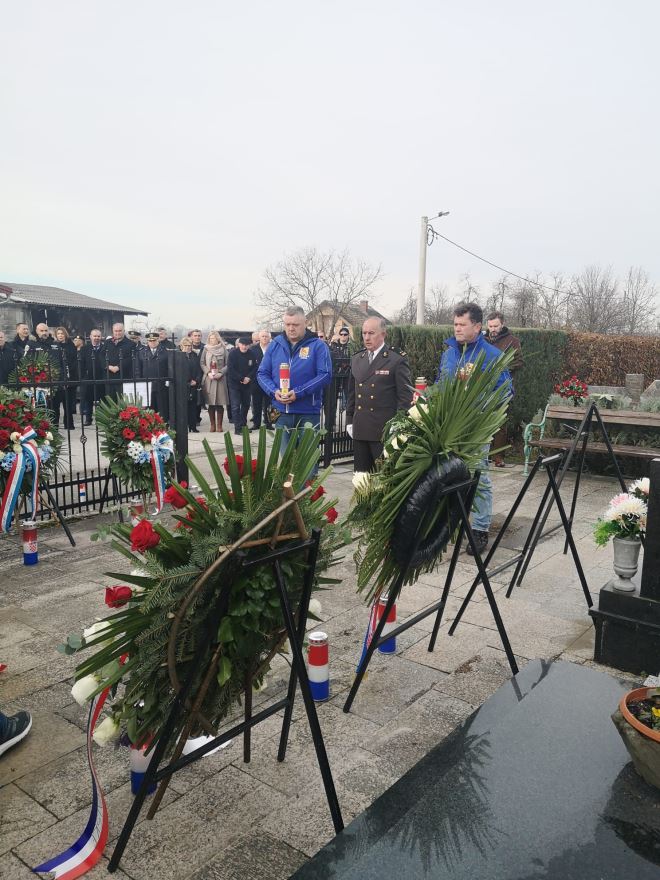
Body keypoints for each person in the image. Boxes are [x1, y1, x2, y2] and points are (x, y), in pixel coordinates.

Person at [436, 302, 512, 556]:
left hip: (476, 429)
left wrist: (479, 410)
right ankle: (448, 524)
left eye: (462, 324)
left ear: (477, 327)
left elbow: (506, 392)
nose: (457, 328)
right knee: (447, 475)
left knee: (478, 477)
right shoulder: (449, 353)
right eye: (455, 324)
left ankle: (479, 529)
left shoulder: (491, 355)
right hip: (447, 427)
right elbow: (440, 384)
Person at [257, 306, 332, 456]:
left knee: (307, 461)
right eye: (287, 324)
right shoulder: (275, 345)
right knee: (286, 461)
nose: (291, 328)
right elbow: (262, 373)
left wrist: (298, 392)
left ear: (305, 322)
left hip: (308, 412)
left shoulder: (318, 346)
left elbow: (325, 375)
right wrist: (274, 391)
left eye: (295, 324)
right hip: (281, 413)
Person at [346, 317, 412, 472]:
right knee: (361, 477)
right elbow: (352, 394)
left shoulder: (395, 359)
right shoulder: (357, 359)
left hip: (383, 430)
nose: (367, 337)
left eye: (371, 333)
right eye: (364, 333)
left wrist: (398, 426)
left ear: (383, 334)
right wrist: (349, 420)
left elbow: (405, 398)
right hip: (361, 427)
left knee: (383, 477)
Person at [485, 311, 523, 468]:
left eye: (496, 326)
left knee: (500, 422)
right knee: (482, 421)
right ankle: (482, 455)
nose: (493, 329)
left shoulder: (512, 341)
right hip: (482, 387)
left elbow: (519, 362)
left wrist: (502, 367)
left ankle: (498, 456)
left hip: (502, 387)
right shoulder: (482, 340)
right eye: (490, 326)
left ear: (502, 324)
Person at [328, 326, 359, 427]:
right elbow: (330, 357)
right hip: (335, 375)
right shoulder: (333, 345)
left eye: (345, 334)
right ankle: (331, 423)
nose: (343, 336)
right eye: (341, 334)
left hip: (347, 375)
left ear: (348, 335)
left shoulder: (351, 346)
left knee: (350, 398)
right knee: (332, 400)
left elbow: (354, 358)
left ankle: (350, 422)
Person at [136, 332, 170, 419]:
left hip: (161, 384)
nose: (152, 342)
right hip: (147, 384)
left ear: (158, 340)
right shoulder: (141, 352)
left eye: (154, 340)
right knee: (149, 409)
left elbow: (169, 367)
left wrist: (168, 379)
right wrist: (139, 382)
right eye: (150, 341)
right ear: (147, 341)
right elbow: (138, 369)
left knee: (162, 409)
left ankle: (163, 425)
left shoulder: (165, 351)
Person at [200, 331, 229, 432]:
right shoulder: (206, 349)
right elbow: (202, 363)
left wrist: (221, 373)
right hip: (209, 379)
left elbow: (228, 364)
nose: (213, 340)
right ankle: (212, 425)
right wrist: (208, 372)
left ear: (218, 339)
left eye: (214, 338)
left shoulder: (224, 349)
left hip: (220, 379)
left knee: (220, 403)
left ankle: (219, 425)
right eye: (211, 338)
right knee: (211, 403)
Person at [227, 337, 257, 435]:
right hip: (234, 384)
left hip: (247, 384)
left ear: (249, 345)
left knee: (246, 405)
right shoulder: (233, 354)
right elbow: (231, 369)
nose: (244, 347)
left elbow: (255, 368)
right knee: (235, 406)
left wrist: (248, 377)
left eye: (246, 345)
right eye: (242, 345)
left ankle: (243, 425)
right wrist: (241, 378)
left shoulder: (252, 354)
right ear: (239, 344)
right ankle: (237, 428)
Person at [53, 326, 79, 429]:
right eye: (58, 334)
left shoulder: (71, 345)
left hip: (70, 376)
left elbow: (74, 360)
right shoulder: (54, 346)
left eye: (62, 333)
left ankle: (68, 423)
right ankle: (55, 424)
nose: (60, 335)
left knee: (68, 402)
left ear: (65, 334)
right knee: (56, 403)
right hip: (57, 377)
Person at [80, 328, 107, 425]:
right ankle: (88, 418)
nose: (96, 338)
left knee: (102, 400)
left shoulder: (105, 348)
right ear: (90, 337)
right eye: (94, 336)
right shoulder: (85, 349)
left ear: (101, 337)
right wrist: (83, 376)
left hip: (102, 377)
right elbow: (81, 364)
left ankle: (101, 419)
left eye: (98, 336)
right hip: (89, 377)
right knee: (88, 399)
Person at [179, 337, 203, 432]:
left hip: (193, 384)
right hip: (182, 385)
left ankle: (193, 426)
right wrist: (186, 382)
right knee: (183, 408)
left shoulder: (194, 355)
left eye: (189, 345)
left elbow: (199, 370)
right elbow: (178, 372)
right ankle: (183, 427)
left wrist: (196, 381)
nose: (188, 347)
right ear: (181, 346)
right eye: (186, 345)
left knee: (193, 407)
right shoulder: (178, 356)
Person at [249, 330, 272, 429]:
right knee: (256, 403)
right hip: (256, 380)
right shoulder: (253, 349)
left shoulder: (273, 348)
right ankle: (256, 423)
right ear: (259, 338)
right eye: (262, 336)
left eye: (266, 336)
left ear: (270, 338)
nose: (264, 338)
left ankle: (269, 423)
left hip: (270, 380)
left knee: (269, 403)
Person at [105, 323, 136, 394]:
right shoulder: (107, 342)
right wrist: (107, 366)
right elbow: (101, 355)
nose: (117, 333)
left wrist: (118, 367)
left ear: (124, 331)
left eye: (120, 331)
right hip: (109, 376)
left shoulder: (131, 344)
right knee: (109, 399)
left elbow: (130, 358)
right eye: (116, 331)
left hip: (124, 376)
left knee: (123, 399)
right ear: (113, 331)